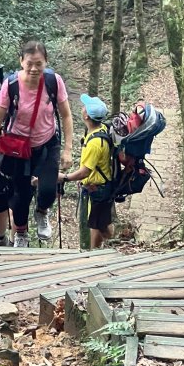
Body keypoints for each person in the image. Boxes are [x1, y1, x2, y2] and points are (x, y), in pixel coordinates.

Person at [0, 40, 73, 248]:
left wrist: (67, 150)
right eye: (29, 63)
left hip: (47, 142)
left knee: (49, 190)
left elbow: (66, 115)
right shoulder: (11, 85)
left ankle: (42, 210)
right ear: (21, 61)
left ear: (46, 62)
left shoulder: (53, 81)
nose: (34, 68)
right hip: (18, 147)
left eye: (39, 64)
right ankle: (21, 233)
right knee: (20, 196)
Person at [60, 93, 114, 249]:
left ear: (87, 116)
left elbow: (84, 172)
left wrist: (64, 178)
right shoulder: (101, 129)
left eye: (84, 107)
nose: (82, 108)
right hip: (98, 188)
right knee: (96, 223)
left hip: (99, 189)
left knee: (100, 225)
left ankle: (103, 251)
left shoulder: (95, 143)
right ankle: (96, 250)